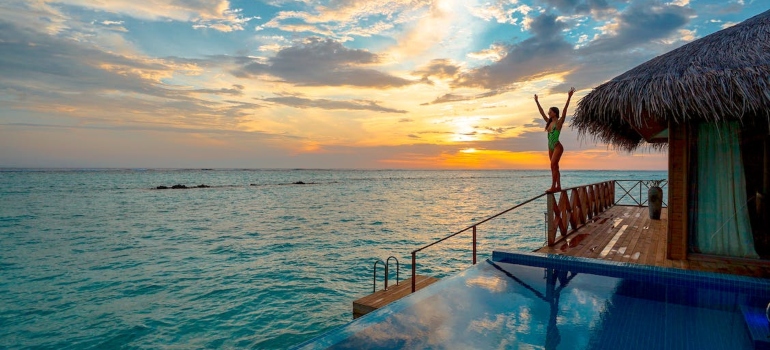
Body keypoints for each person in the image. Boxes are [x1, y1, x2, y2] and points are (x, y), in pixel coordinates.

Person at [534, 87, 575, 192]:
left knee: (552, 165)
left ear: (555, 113)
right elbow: (542, 112)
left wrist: (569, 97)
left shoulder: (559, 122)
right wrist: (537, 101)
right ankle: (558, 186)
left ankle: (553, 186)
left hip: (557, 146)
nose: (548, 113)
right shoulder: (549, 122)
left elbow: (565, 110)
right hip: (550, 147)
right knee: (554, 167)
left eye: (550, 112)